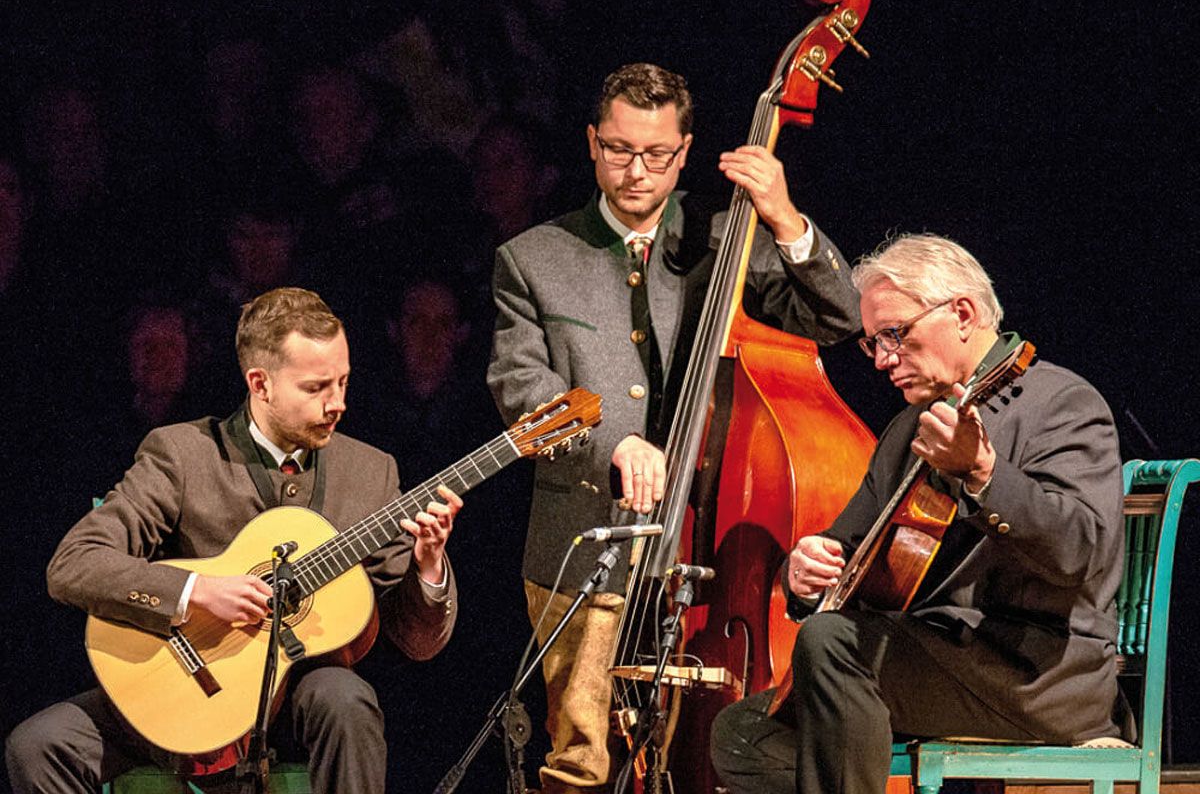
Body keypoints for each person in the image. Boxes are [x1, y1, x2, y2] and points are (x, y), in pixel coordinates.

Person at [487, 62, 861, 794]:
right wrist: (611, 443)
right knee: (581, 761)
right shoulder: (532, 259)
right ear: (592, 144)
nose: (636, 170)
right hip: (583, 539)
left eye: (656, 154)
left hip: (708, 543)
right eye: (620, 149)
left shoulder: (729, 235)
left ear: (686, 152)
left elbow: (837, 317)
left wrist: (784, 217)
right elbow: (522, 392)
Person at [709, 235, 1126, 794]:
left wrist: (982, 473)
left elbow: (1080, 553)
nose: (882, 359)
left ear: (962, 313)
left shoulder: (1062, 404)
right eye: (873, 343)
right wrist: (803, 569)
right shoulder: (910, 427)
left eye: (894, 335)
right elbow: (846, 545)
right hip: (933, 656)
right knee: (740, 735)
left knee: (831, 646)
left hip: (1037, 675)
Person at [6, 287, 463, 794]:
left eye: (344, 381)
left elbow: (419, 642)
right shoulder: (183, 454)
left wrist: (428, 566)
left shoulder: (370, 472)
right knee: (37, 744)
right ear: (260, 385)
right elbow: (73, 565)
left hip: (296, 705)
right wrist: (196, 592)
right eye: (316, 388)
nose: (339, 403)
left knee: (344, 697)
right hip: (190, 687)